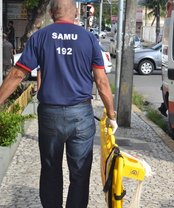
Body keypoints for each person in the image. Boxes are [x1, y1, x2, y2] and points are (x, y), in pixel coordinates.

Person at [0, 0, 118, 207]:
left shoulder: (40, 37)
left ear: (52, 13)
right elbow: (101, 81)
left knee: (50, 169)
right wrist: (111, 114)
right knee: (80, 172)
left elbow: (18, 74)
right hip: (81, 115)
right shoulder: (88, 39)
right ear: (75, 13)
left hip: (50, 116)